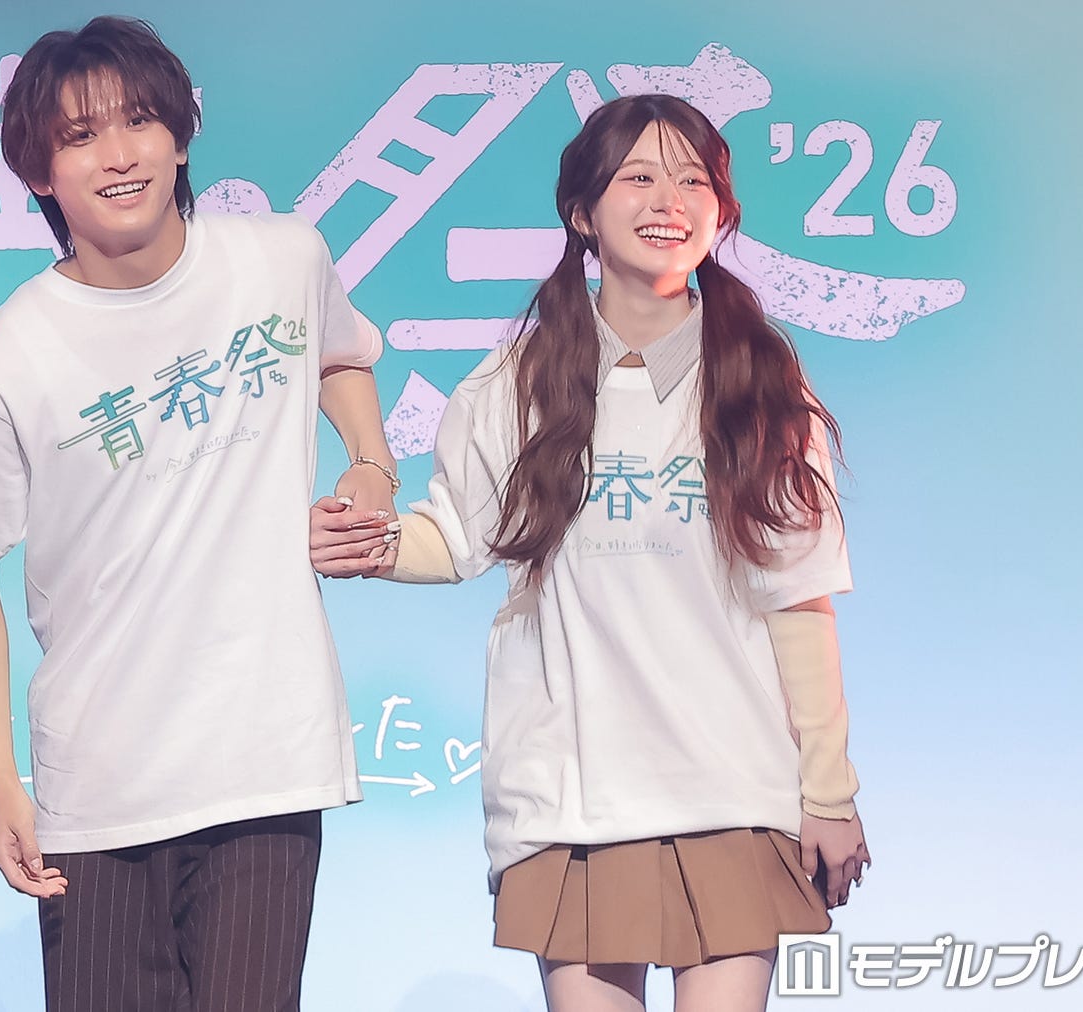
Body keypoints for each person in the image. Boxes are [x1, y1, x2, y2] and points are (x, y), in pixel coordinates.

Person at [311, 94, 870, 1011]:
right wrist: (365, 542)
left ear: (720, 212)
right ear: (582, 213)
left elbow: (799, 597)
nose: (670, 200)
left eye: (694, 181)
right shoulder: (517, 383)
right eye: (639, 177)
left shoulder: (760, 381)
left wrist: (829, 793)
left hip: (732, 786)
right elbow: (457, 537)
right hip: (568, 794)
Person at [0, 15, 399, 1012]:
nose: (119, 154)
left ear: (181, 135)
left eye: (139, 120)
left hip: (266, 756)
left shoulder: (282, 259)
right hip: (98, 786)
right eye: (80, 135)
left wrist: (371, 465)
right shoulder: (4, 363)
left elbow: (340, 354)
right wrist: (2, 783)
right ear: (39, 171)